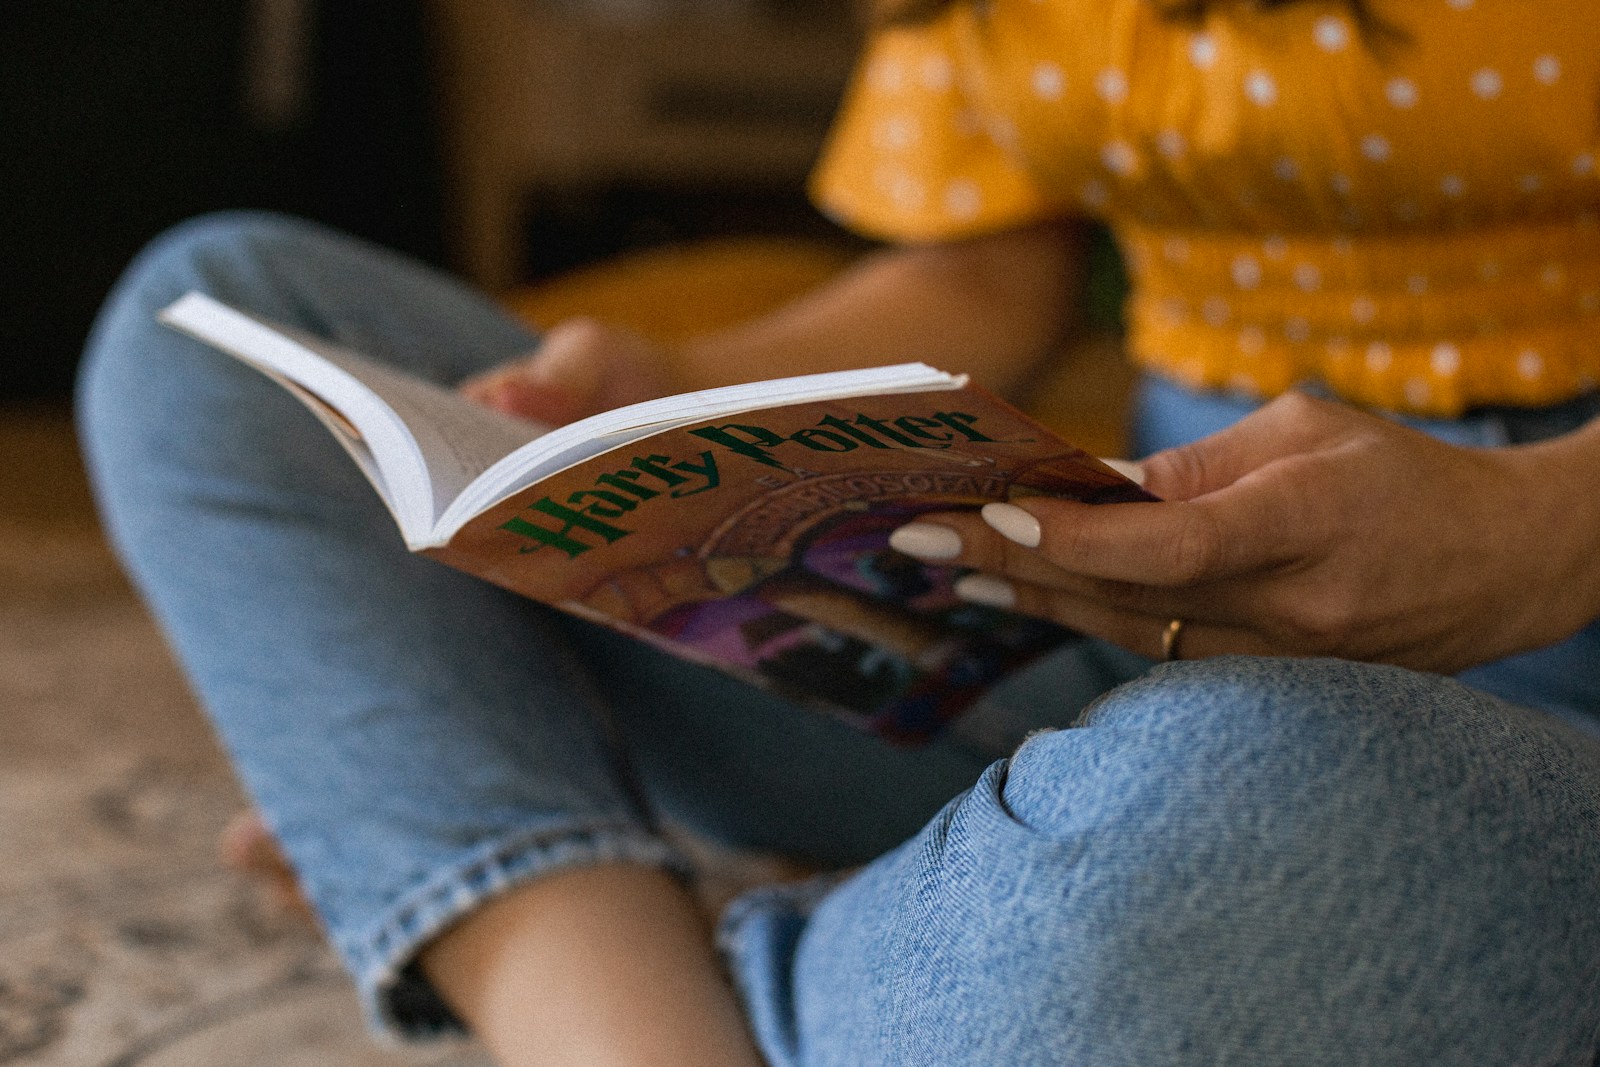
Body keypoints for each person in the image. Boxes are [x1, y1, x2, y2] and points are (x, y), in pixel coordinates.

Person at [78, 0, 1600, 1062]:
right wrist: (681, 392)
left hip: (1518, 707)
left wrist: (1542, 528)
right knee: (217, 319)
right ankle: (628, 1022)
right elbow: (995, 266)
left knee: (1269, 812)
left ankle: (556, 900)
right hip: (1137, 611)